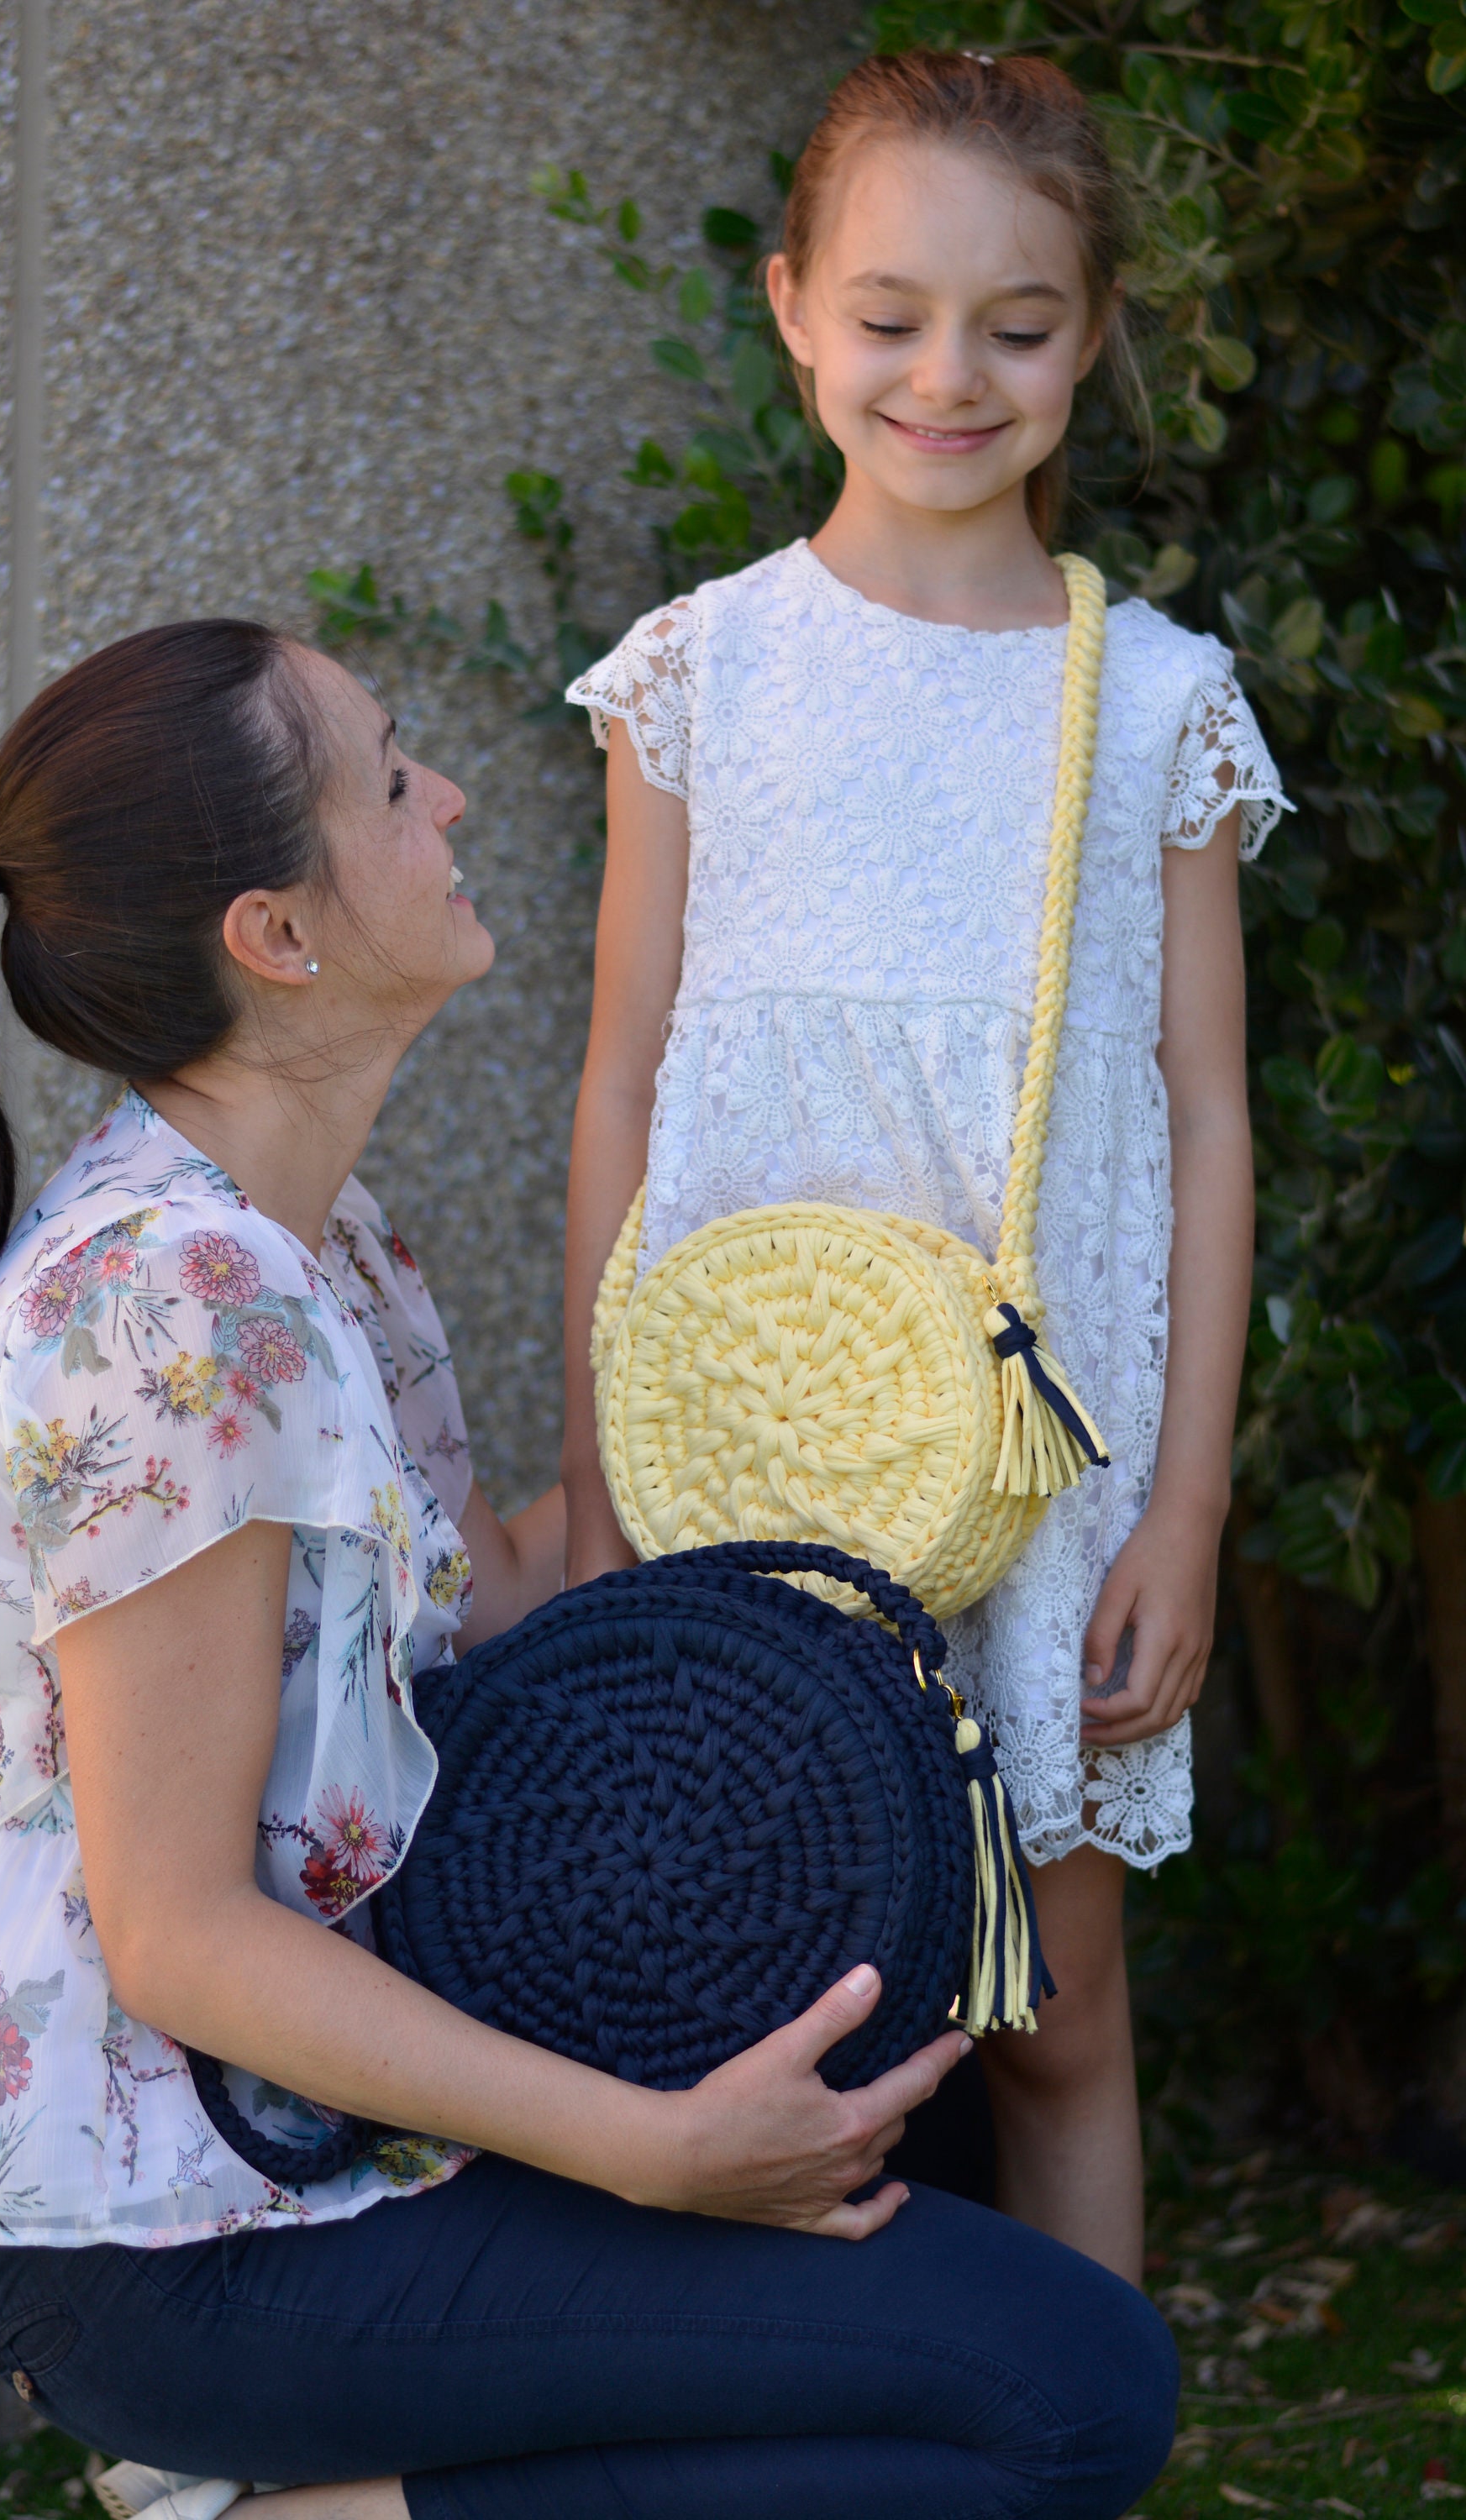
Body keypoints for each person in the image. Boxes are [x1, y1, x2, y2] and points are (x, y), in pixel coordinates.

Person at [0, 617, 1177, 2519]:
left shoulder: (313, 1238)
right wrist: (647, 2149)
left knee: (915, 2150)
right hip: (168, 2232)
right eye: (388, 778)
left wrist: (865, 1426)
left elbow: (494, 1601)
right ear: (277, 936)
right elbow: (176, 1935)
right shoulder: (170, 1312)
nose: (444, 800)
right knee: (1068, 2396)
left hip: (295, 2119)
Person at [563, 49, 1288, 2286]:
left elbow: (1204, 1113)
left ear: (1093, 335)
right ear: (792, 306)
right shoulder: (702, 673)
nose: (947, 376)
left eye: (1017, 323)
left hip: (1045, 1478)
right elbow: (619, 1083)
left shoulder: (1153, 699)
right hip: (748, 1456)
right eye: (889, 316)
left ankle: (1077, 2426)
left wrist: (1184, 1505)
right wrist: (600, 1480)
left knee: (1052, 2021)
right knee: (750, 1993)